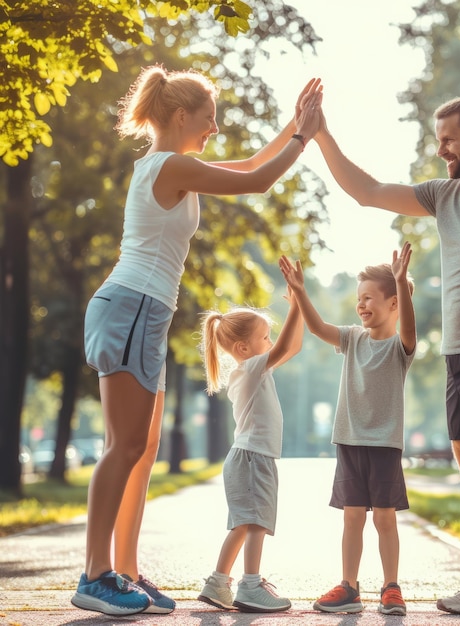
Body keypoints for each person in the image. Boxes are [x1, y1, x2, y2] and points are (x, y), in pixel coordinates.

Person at [71, 64, 322, 616]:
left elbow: (255, 163)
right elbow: (258, 181)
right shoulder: (170, 166)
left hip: (145, 312)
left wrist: (295, 125)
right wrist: (305, 136)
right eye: (209, 119)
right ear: (180, 116)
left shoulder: (173, 167)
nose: (214, 129)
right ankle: (94, 575)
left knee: (143, 451)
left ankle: (127, 572)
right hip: (132, 306)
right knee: (125, 446)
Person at [310, 95, 460, 619]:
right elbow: (367, 192)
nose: (440, 149)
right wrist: (322, 133)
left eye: (448, 139)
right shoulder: (444, 195)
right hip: (458, 353)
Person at [279, 242, 416, 616]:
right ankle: (350, 587)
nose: (362, 305)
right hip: (350, 443)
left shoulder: (400, 347)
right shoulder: (353, 338)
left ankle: (391, 587)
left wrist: (402, 282)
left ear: (393, 304)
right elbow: (319, 327)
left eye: (369, 298)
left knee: (384, 518)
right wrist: (302, 293)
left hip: (385, 445)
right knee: (352, 517)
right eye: (359, 299)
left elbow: (409, 330)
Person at [196, 284, 303, 613]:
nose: (270, 343)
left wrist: (299, 308)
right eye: (264, 337)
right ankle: (251, 584)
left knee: (243, 523)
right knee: (255, 522)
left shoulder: (254, 369)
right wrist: (297, 306)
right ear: (244, 347)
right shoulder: (251, 368)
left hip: (246, 458)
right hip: (253, 458)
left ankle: (218, 583)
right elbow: (286, 344)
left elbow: (292, 347)